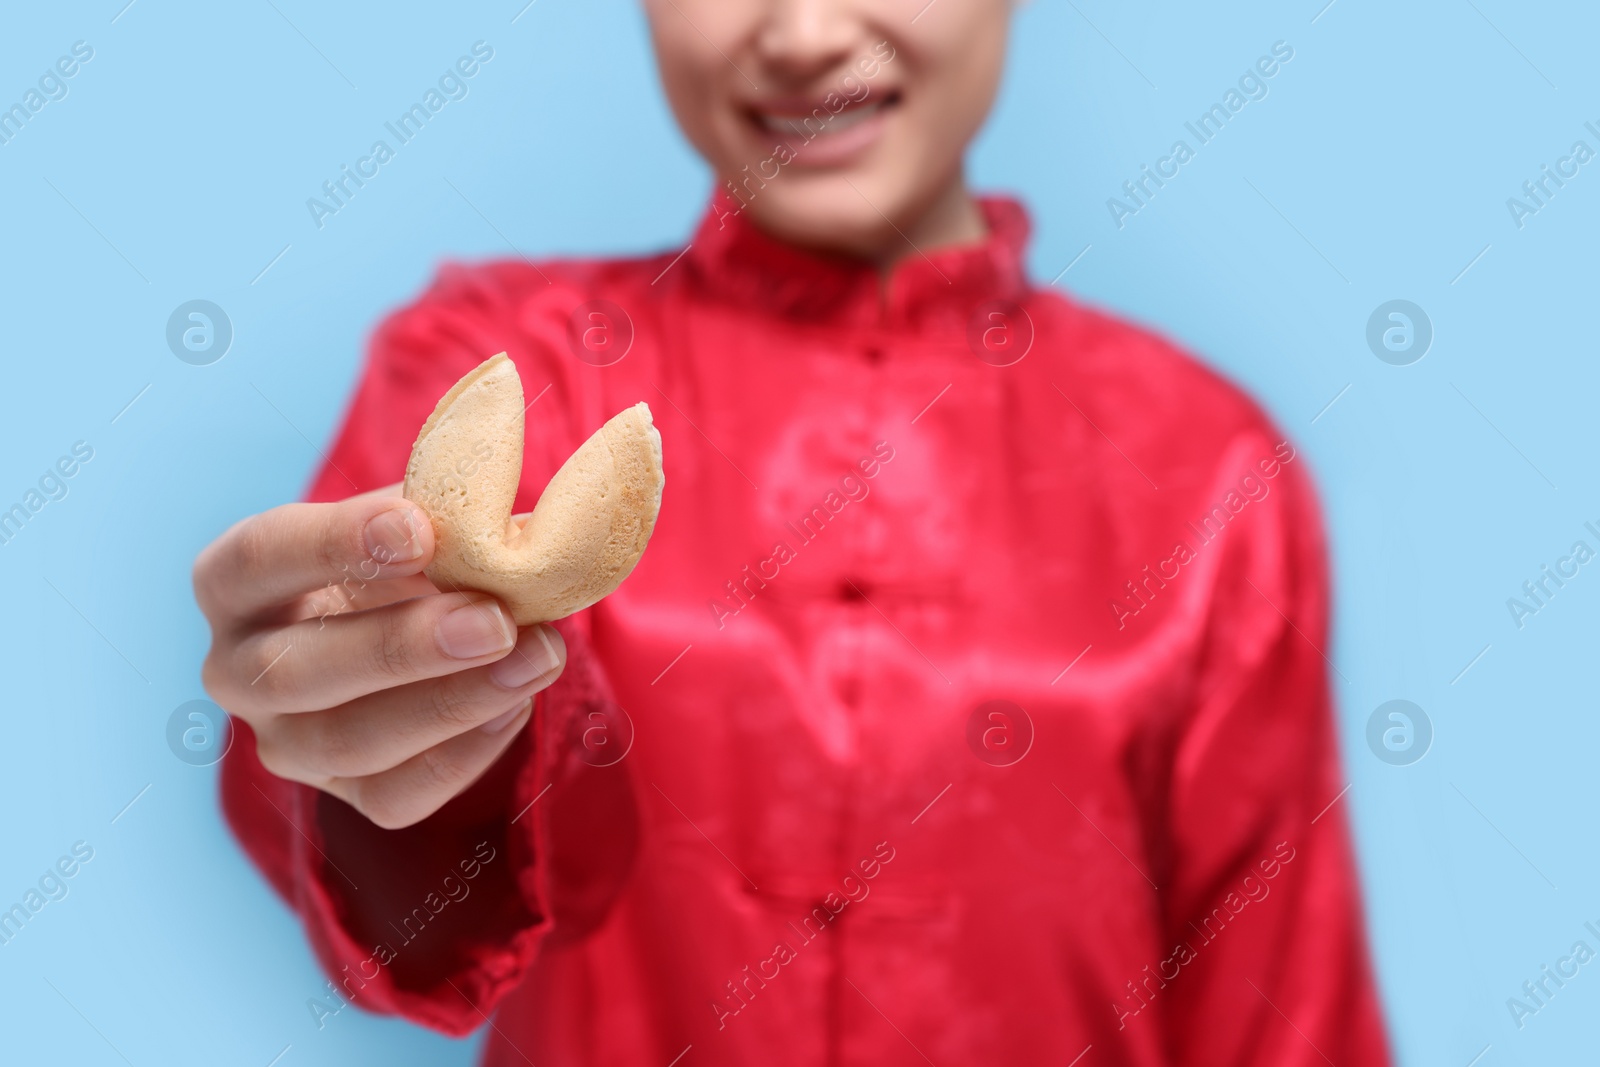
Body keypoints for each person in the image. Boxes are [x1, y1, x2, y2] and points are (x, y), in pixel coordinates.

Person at [194, 1, 1392, 1063]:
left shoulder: (1207, 464)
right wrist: (385, 748)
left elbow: (1280, 1004)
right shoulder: (516, 363)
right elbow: (414, 838)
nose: (805, 32)